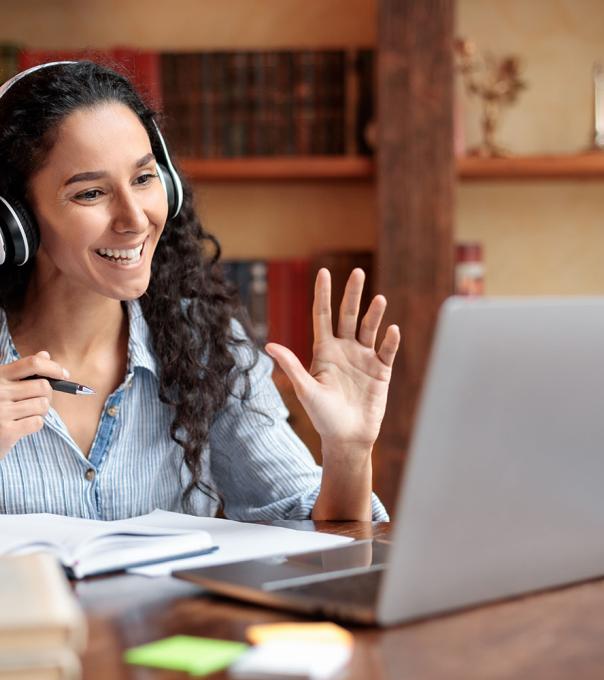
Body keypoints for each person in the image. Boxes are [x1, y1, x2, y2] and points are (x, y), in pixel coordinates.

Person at [0, 60, 400, 522]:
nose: (134, 219)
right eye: (91, 193)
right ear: (15, 220)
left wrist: (348, 451)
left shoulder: (201, 340)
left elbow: (317, 532)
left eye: (144, 179)